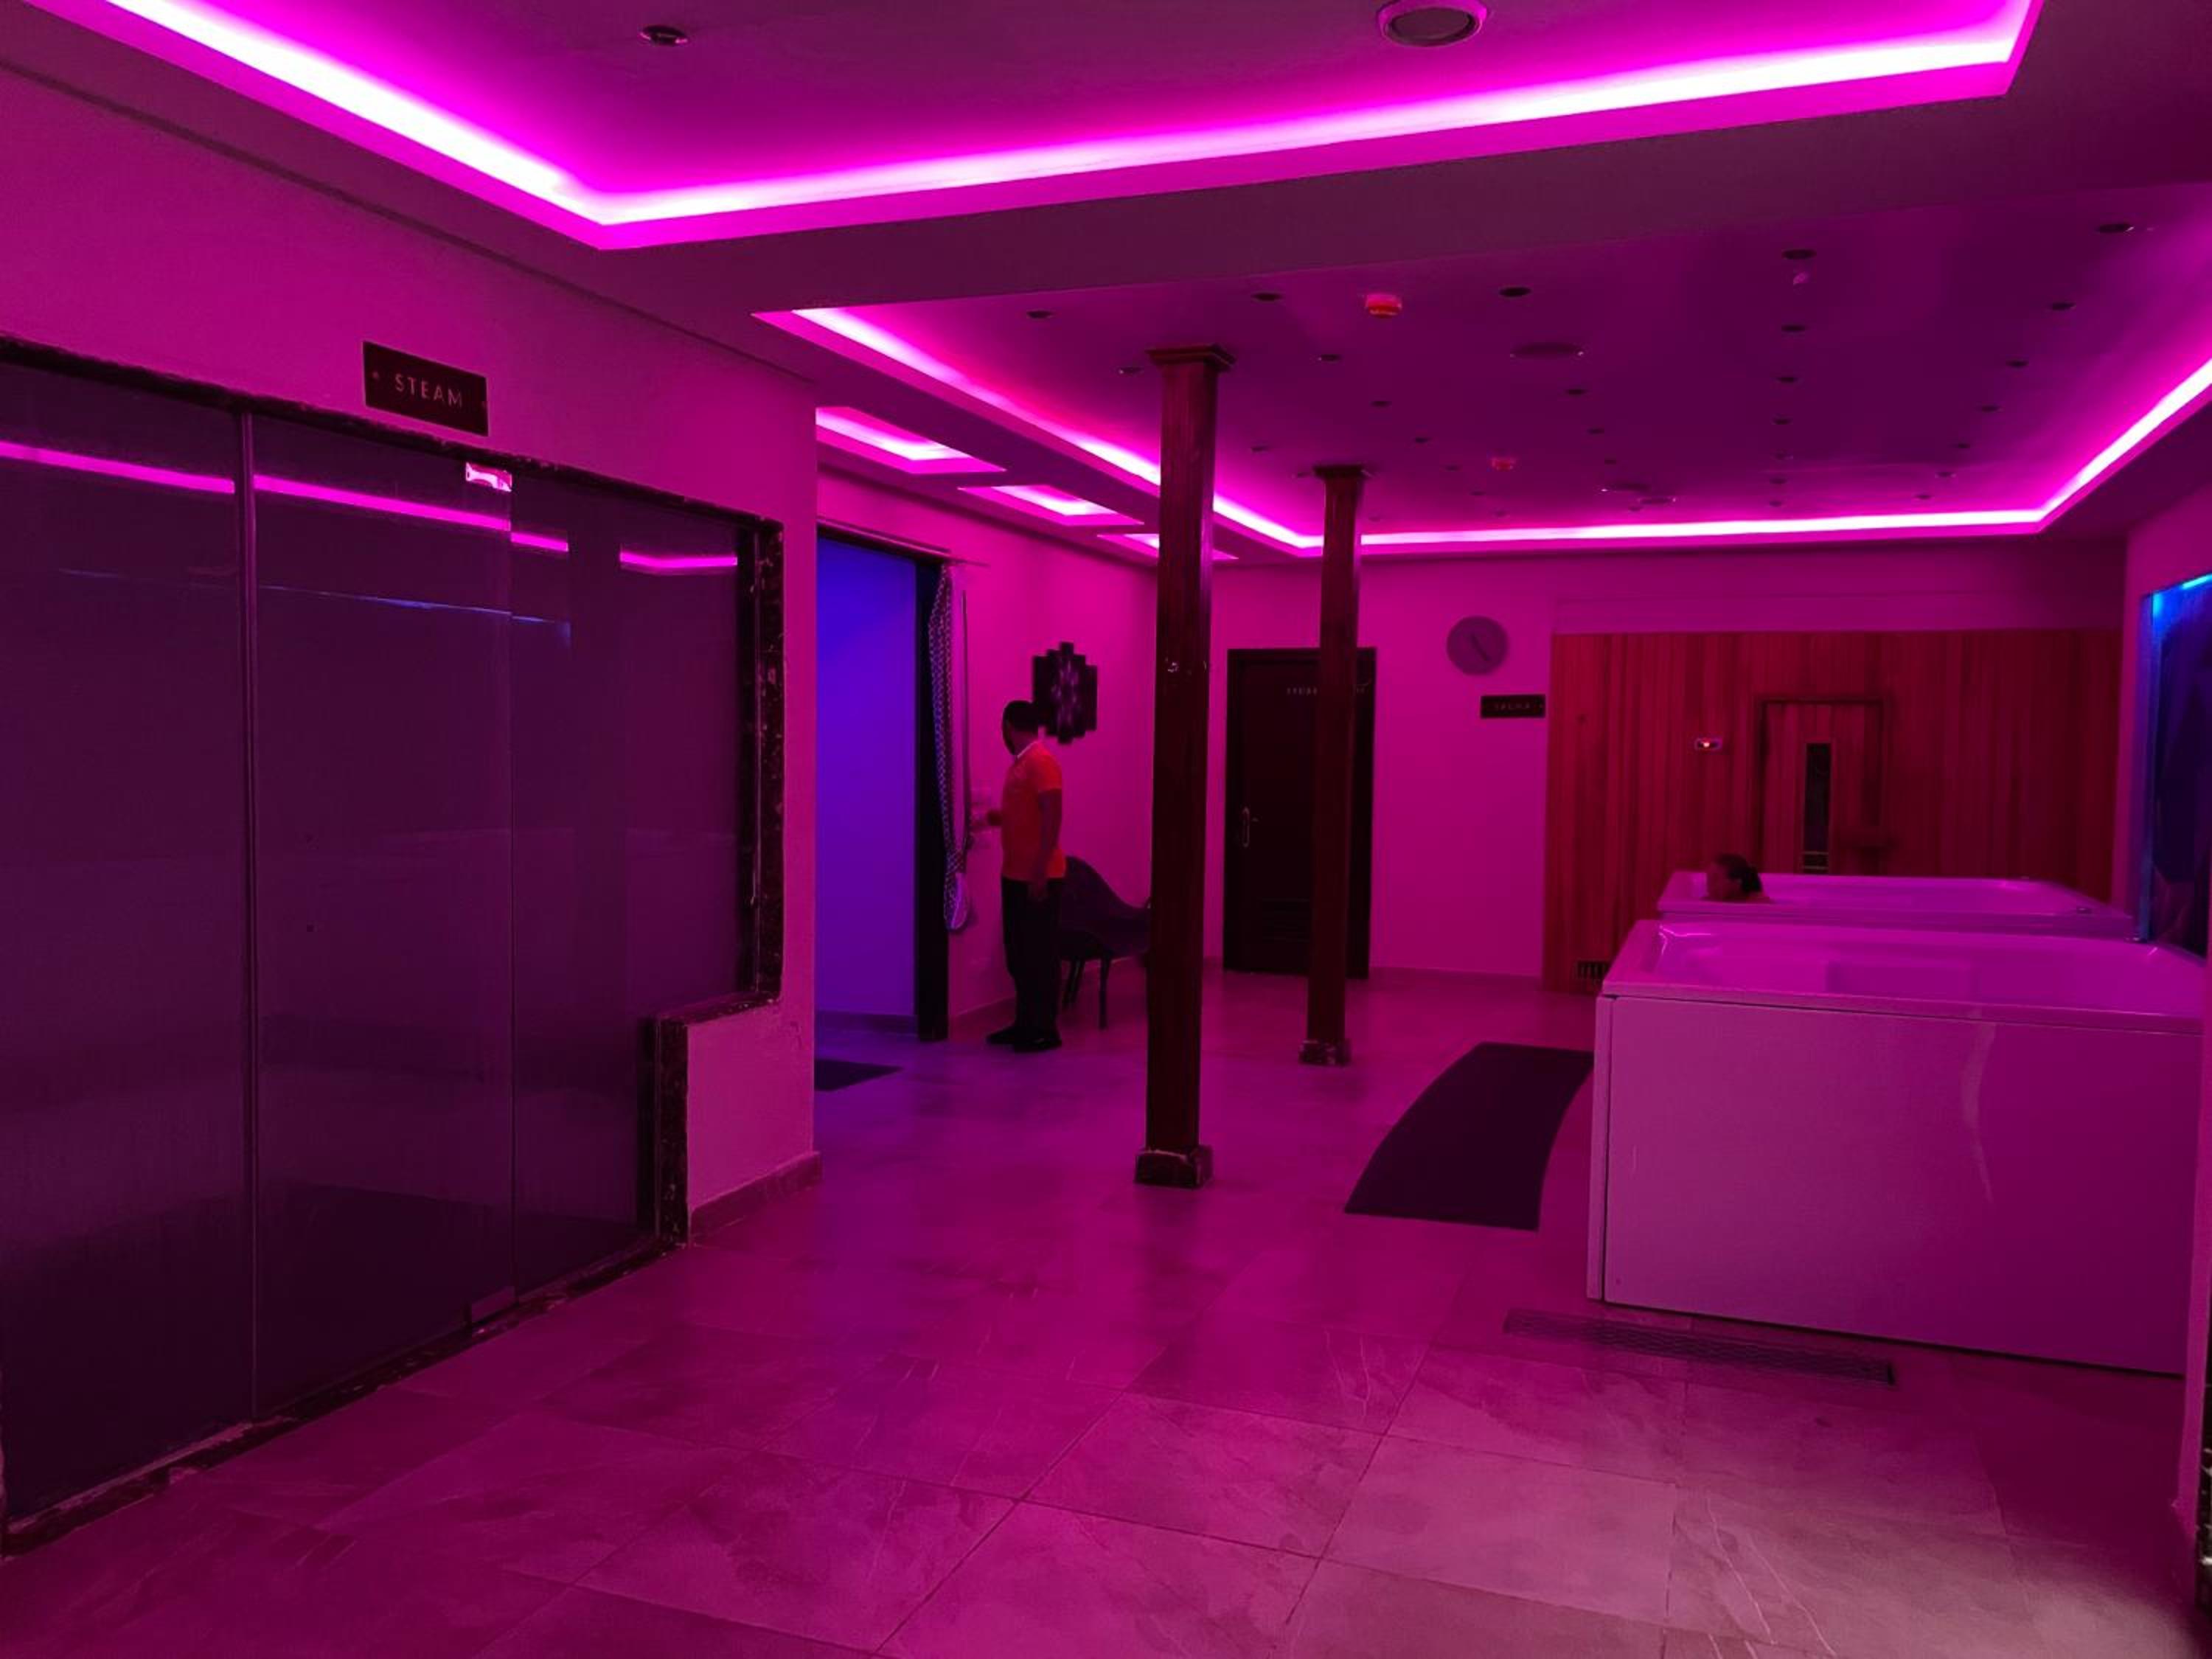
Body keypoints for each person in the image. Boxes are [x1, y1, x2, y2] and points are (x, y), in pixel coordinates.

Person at [984, 700, 1067, 1051]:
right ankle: (1024, 1023)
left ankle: (1045, 1028)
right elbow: (1026, 815)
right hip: (1015, 875)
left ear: (1008, 726)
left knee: (1040, 954)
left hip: (1038, 877)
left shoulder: (1040, 763)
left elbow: (1052, 817)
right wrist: (995, 819)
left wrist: (1039, 872)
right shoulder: (1019, 765)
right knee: (1018, 953)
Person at [1705, 852, 1769, 902]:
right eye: (1708, 879)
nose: (1709, 885)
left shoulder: (1760, 905)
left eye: (1715, 879)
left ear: (1737, 882)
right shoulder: (1707, 903)